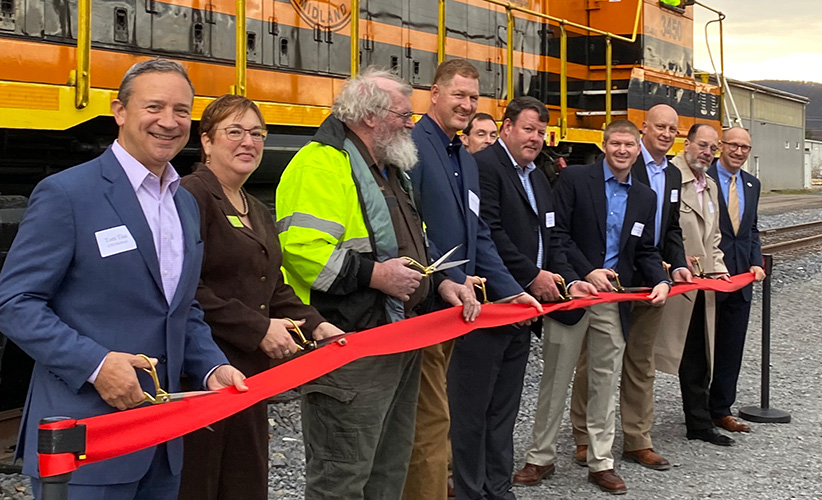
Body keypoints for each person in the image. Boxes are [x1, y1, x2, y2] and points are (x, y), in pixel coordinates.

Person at [0, 58, 247, 500]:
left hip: (162, 441)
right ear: (119, 111)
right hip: (85, 444)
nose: (169, 122)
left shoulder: (184, 203)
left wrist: (212, 366)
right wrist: (95, 366)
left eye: (181, 110)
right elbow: (14, 303)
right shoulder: (68, 193)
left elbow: (180, 307)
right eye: (154, 107)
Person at [275, 67, 478, 500]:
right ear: (370, 116)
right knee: (342, 479)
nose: (411, 123)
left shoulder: (388, 168)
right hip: (351, 346)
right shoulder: (320, 164)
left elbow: (414, 240)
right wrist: (377, 275)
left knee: (388, 470)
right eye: (403, 115)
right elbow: (303, 252)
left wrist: (440, 281)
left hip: (395, 338)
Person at [176, 95, 343, 500]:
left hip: (251, 372)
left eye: (257, 134)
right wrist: (258, 329)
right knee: (200, 482)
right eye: (234, 132)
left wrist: (317, 324)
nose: (248, 142)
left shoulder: (256, 209)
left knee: (245, 480)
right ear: (207, 141)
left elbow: (274, 285)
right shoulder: (190, 196)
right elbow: (185, 288)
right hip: (204, 369)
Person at [403, 58, 541, 500]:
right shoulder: (413, 147)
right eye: (459, 95)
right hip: (429, 304)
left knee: (452, 414)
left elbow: (479, 232)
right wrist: (448, 278)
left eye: (474, 97)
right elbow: (410, 227)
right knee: (433, 423)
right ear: (434, 94)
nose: (466, 104)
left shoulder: (464, 155)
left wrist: (512, 291)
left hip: (461, 305)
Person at [449, 96, 596, 500]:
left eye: (541, 132)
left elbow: (551, 240)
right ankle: (470, 491)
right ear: (508, 127)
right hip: (490, 308)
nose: (536, 138)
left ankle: (499, 489)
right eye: (529, 129)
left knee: (504, 411)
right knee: (472, 412)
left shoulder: (538, 177)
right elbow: (490, 233)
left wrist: (569, 283)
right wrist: (531, 277)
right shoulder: (484, 167)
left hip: (524, 313)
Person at [514, 119, 670, 495]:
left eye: (629, 145)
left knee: (605, 382)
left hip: (612, 302)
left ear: (638, 149)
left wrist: (662, 280)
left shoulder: (645, 197)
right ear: (603, 145)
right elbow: (557, 235)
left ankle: (602, 462)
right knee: (555, 379)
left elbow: (645, 250)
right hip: (571, 295)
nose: (622, 150)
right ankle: (540, 457)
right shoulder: (574, 179)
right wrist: (584, 273)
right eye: (616, 143)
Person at [569, 104, 691, 471]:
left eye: (671, 129)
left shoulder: (672, 175)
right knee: (594, 362)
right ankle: (583, 437)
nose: (665, 134)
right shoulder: (622, 163)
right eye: (659, 127)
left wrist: (675, 267)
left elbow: (669, 228)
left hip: (648, 281)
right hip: (609, 282)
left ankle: (638, 439)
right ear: (643, 130)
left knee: (641, 362)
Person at [654, 123, 733, 446]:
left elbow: (714, 238)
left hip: (702, 283)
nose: (708, 153)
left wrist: (719, 271)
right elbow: (661, 228)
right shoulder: (670, 177)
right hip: (671, 282)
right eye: (702, 145)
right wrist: (670, 262)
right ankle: (636, 435)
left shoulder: (710, 186)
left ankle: (698, 423)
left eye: (713, 148)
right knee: (647, 358)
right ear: (686, 144)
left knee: (699, 354)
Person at [707, 126, 766, 433]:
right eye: (734, 145)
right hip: (709, 276)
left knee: (731, 346)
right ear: (721, 145)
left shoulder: (752, 184)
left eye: (745, 147)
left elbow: (751, 229)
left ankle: (721, 409)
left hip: (741, 278)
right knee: (701, 348)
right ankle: (697, 412)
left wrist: (756, 262)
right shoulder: (704, 179)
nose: (739, 152)